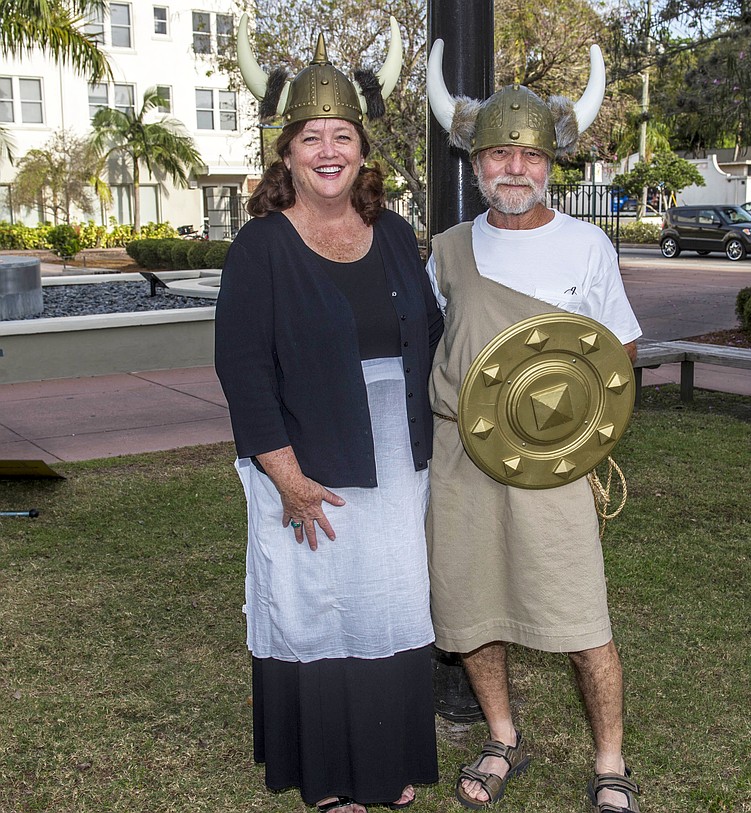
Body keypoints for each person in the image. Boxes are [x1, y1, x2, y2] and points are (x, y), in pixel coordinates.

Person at [215, 19, 443, 813]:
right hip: (302, 457)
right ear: (286, 154)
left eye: (341, 133)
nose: (326, 149)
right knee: (317, 608)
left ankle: (387, 762)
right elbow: (242, 370)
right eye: (309, 136)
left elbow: (433, 342)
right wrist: (287, 477)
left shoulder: (395, 237)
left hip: (394, 453)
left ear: (361, 148)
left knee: (390, 601)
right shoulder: (260, 248)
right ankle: (329, 777)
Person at [425, 40, 642, 813]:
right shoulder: (447, 251)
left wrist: (575, 436)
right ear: (474, 165)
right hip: (461, 457)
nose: (512, 169)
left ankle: (610, 759)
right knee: (472, 605)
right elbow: (431, 341)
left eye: (527, 155)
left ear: (552, 163)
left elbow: (617, 357)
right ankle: (502, 733)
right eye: (496, 155)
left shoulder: (589, 246)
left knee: (582, 617)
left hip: (552, 462)